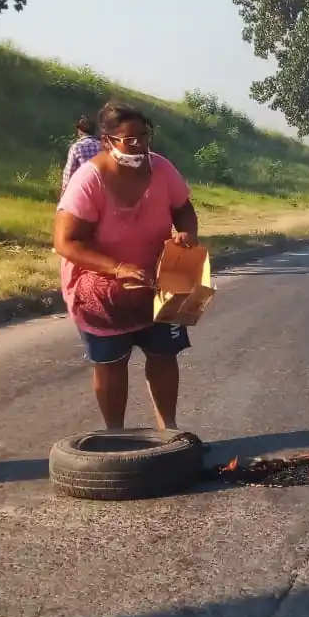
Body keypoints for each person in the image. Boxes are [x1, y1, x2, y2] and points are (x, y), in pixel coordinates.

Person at [53, 101, 200, 430]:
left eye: (144, 136)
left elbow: (183, 209)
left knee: (164, 355)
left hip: (160, 278)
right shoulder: (88, 180)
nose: (140, 145)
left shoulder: (161, 168)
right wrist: (117, 268)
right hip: (102, 288)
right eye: (129, 139)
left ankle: (169, 431)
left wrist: (187, 234)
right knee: (111, 362)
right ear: (106, 140)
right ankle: (115, 435)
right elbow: (66, 242)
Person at [60, 115, 102, 197]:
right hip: (101, 189)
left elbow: (69, 172)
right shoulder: (103, 146)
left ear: (80, 131)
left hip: (83, 189)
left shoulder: (77, 147)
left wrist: (64, 191)